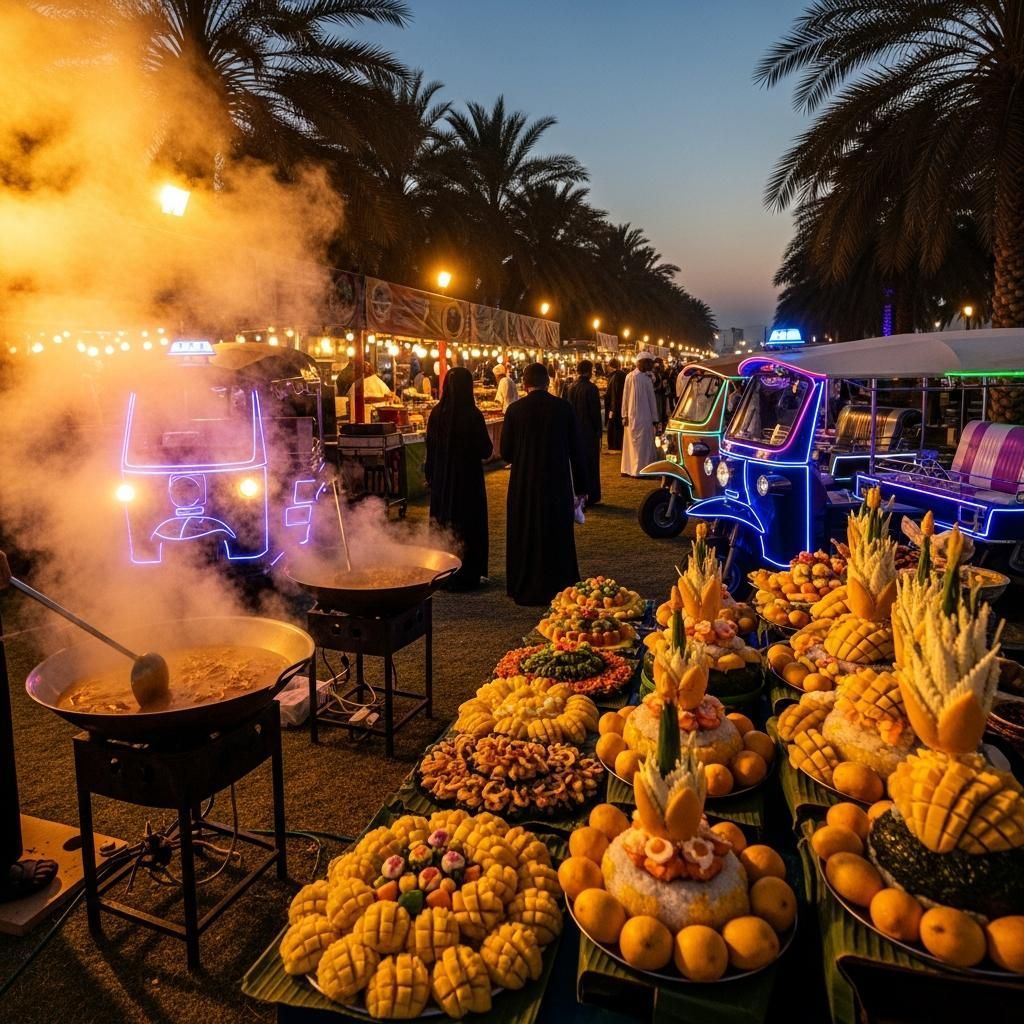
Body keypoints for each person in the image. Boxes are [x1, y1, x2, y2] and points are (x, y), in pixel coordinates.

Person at [500, 363, 586, 606]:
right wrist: (581, 487)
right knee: (555, 532)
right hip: (556, 481)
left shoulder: (515, 411)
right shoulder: (562, 408)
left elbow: (506, 452)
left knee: (526, 531)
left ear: (525, 384)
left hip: (524, 483)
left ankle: (524, 584)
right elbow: (576, 451)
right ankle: (559, 584)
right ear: (548, 382)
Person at [424, 367, 493, 590]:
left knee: (444, 522)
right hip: (468, 481)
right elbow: (485, 449)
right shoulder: (473, 415)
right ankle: (469, 572)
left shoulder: (436, 414)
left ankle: (442, 570)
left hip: (442, 481)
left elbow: (430, 449)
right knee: (469, 525)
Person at [565, 359, 602, 506]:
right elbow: (595, 413)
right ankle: (591, 495)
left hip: (575, 431)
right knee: (591, 464)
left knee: (577, 464)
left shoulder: (571, 387)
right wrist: (598, 430)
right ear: (589, 370)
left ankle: (580, 494)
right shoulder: (591, 388)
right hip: (588, 432)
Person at [621, 352, 659, 477]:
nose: (650, 365)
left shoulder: (644, 378)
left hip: (643, 415)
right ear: (641, 363)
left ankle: (636, 469)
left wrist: (654, 418)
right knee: (635, 443)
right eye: (648, 363)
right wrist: (624, 414)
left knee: (641, 443)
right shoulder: (632, 377)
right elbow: (626, 397)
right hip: (638, 415)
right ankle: (633, 469)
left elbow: (651, 399)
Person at [605, 358, 627, 451]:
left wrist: (612, 409)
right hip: (617, 406)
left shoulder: (616, 376)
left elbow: (616, 393)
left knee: (615, 427)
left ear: (611, 366)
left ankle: (615, 445)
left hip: (616, 407)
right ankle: (616, 444)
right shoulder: (618, 375)